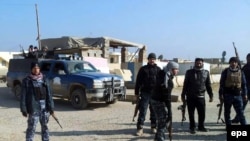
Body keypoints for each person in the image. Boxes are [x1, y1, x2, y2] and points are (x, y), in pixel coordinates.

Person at [20, 62, 55, 141]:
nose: (36, 70)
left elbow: (49, 94)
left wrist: (51, 107)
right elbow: (23, 96)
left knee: (45, 127)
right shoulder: (27, 81)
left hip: (44, 108)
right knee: (31, 128)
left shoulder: (44, 79)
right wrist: (23, 109)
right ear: (31, 69)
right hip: (33, 108)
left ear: (39, 69)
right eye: (34, 68)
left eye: (37, 68)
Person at [181, 58, 213, 134]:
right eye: (197, 63)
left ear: (202, 64)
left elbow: (208, 85)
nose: (198, 64)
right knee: (191, 113)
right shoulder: (189, 72)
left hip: (201, 96)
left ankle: (201, 126)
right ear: (195, 63)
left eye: (200, 63)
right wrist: (183, 95)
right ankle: (192, 127)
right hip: (190, 96)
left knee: (202, 113)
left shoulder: (206, 72)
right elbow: (185, 84)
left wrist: (211, 95)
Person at [134, 52, 161, 136]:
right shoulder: (143, 69)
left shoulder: (158, 69)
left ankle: (153, 127)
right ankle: (140, 128)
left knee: (154, 112)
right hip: (145, 93)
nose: (152, 60)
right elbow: (138, 82)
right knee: (143, 111)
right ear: (148, 59)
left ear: (155, 60)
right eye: (150, 59)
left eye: (153, 59)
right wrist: (136, 93)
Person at [151, 61, 179, 141]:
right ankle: (160, 138)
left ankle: (157, 138)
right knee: (163, 122)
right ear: (170, 69)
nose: (177, 71)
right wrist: (169, 111)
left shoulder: (163, 74)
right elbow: (167, 97)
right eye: (176, 69)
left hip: (155, 100)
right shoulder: (166, 80)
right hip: (159, 101)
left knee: (161, 121)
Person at [219, 57, 247, 129]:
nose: (233, 63)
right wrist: (221, 95)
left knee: (241, 113)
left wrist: (245, 94)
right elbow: (221, 84)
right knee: (227, 112)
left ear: (237, 63)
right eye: (232, 62)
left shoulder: (241, 72)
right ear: (230, 63)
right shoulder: (225, 71)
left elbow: (244, 84)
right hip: (228, 95)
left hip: (238, 95)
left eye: (235, 62)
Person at [231, 54, 250, 123]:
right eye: (248, 58)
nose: (249, 60)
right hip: (245, 89)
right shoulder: (244, 67)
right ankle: (237, 118)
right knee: (241, 106)